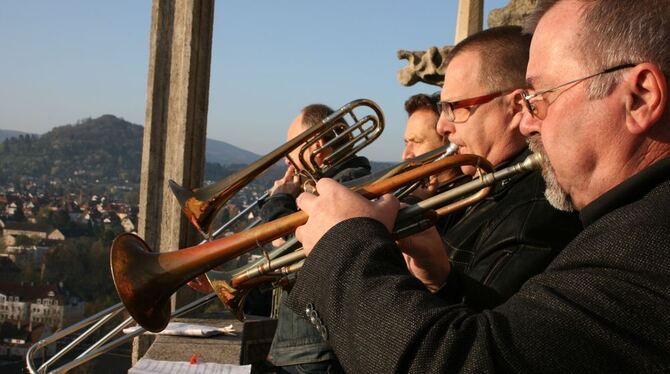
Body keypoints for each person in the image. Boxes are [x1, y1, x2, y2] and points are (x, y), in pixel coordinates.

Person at [284, 1, 670, 372]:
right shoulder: (633, 227)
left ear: (640, 97)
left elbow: (471, 362)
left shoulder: (649, 242)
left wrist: (343, 247)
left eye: (538, 98)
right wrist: (445, 280)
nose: (527, 122)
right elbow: (519, 338)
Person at [260, 103, 371, 373]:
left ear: (317, 144)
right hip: (306, 350)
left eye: (292, 148)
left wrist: (279, 202)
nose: (287, 159)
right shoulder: (322, 185)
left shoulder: (346, 185)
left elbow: (295, 248)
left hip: (318, 352)